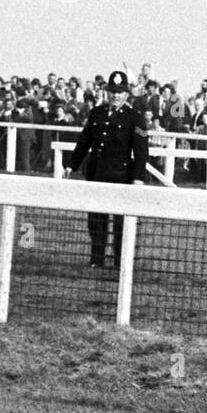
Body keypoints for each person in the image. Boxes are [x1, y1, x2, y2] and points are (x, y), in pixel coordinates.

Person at [65, 69, 148, 269]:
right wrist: (71, 165)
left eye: (120, 92)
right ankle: (96, 260)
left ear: (126, 94)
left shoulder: (134, 118)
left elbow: (141, 150)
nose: (115, 95)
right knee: (96, 221)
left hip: (121, 176)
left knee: (120, 223)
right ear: (107, 92)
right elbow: (84, 141)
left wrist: (138, 177)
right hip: (96, 175)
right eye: (112, 91)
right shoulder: (97, 113)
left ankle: (120, 262)